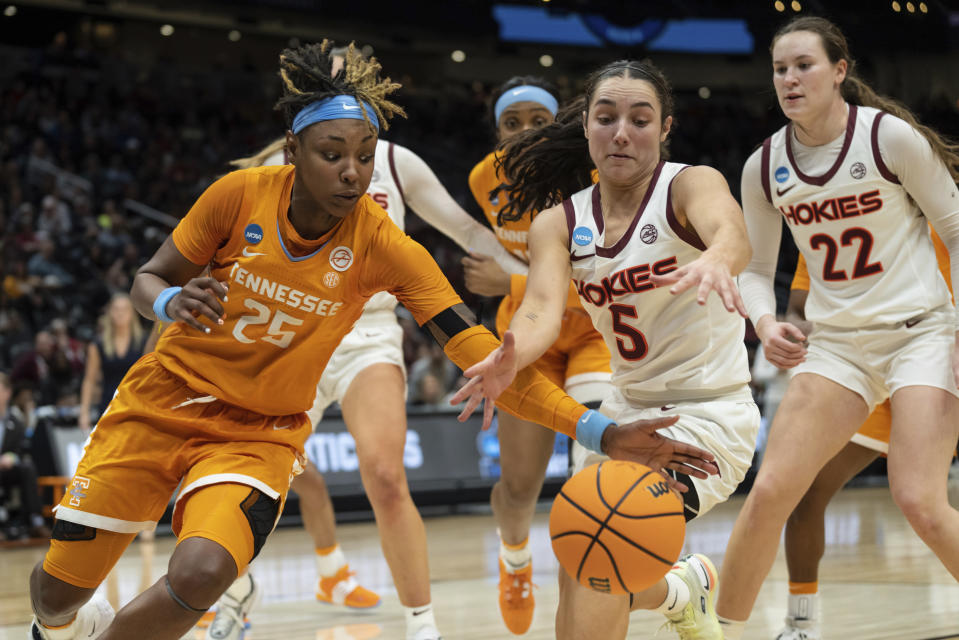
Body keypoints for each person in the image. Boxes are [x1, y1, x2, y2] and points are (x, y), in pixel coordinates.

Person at [26, 41, 717, 640]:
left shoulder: (385, 246)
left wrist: (598, 433)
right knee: (52, 597)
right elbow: (149, 276)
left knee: (202, 568)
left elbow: (486, 356)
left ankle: (418, 619)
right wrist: (172, 299)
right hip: (159, 403)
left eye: (364, 157)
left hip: (258, 434)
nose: (353, 173)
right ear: (293, 151)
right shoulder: (236, 196)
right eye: (333, 156)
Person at [452, 58, 759, 640]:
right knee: (579, 558)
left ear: (665, 128)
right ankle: (679, 589)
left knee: (605, 537)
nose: (622, 131)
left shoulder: (688, 184)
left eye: (640, 119)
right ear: (587, 126)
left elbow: (730, 231)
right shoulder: (558, 223)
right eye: (607, 116)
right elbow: (541, 308)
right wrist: (511, 353)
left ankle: (677, 587)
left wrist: (719, 256)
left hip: (708, 412)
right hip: (628, 408)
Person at [206, 85, 526, 640]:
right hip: (289, 332)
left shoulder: (396, 163)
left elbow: (465, 230)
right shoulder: (272, 163)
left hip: (368, 333)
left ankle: (421, 625)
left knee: (384, 474)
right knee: (249, 476)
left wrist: (533, 280)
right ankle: (235, 592)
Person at [714, 16, 959, 639]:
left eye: (804, 65)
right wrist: (765, 323)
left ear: (840, 71)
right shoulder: (764, 164)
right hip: (839, 347)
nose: (790, 79)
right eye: (779, 69)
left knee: (921, 503)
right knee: (770, 492)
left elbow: (955, 230)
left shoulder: (889, 138)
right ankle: (715, 628)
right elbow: (757, 269)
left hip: (920, 334)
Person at [463, 76, 615, 635]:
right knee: (520, 486)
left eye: (538, 121)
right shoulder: (484, 179)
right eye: (512, 122)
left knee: (591, 471)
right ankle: (516, 559)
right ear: (496, 132)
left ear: (561, 127)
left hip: (595, 329)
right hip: (525, 337)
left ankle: (580, 592)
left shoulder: (597, 175)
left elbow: (603, 279)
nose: (525, 132)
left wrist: (507, 281)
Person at [776, 233, 953, 639]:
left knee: (925, 507)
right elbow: (798, 307)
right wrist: (795, 330)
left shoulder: (938, 203)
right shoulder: (825, 213)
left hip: (936, 360)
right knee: (806, 491)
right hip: (867, 372)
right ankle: (801, 625)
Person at [78, 293, 149, 434]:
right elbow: (89, 381)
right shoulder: (98, 344)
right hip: (108, 406)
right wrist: (84, 412)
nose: (120, 313)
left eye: (124, 309)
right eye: (116, 309)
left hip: (137, 406)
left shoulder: (144, 341)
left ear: (132, 313)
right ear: (110, 312)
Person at [0, 374, 50, 540]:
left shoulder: (15, 420)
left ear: (7, 393)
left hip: (7, 469)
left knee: (28, 468)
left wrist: (11, 457)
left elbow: (21, 449)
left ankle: (35, 521)